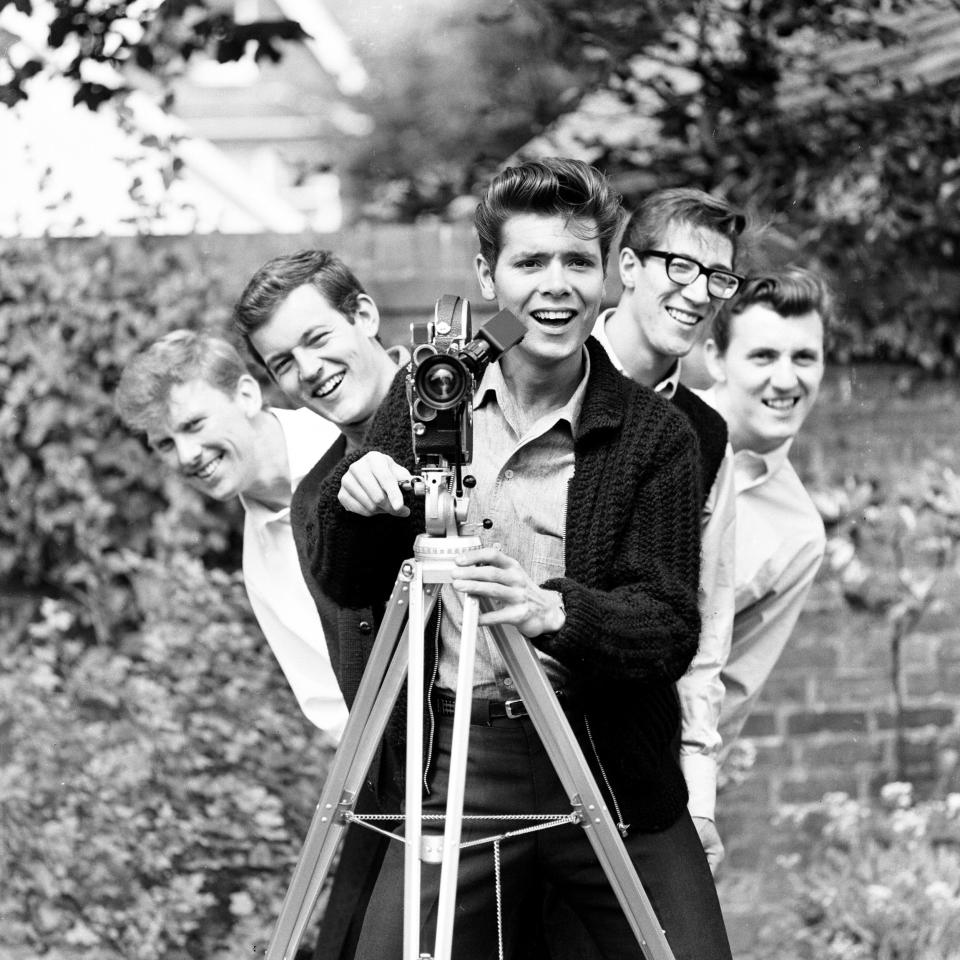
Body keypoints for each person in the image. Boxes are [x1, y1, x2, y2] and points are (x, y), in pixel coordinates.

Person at [296, 157, 732, 960]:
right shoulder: (428, 397)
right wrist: (354, 502)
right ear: (487, 275)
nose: (556, 285)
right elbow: (347, 578)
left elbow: (669, 624)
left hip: (608, 760)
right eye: (530, 262)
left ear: (608, 275)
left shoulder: (655, 435)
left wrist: (555, 610)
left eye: (577, 261)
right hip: (465, 755)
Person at [231, 249, 410, 960]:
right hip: (400, 786)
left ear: (364, 315)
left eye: (317, 339)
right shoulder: (314, 499)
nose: (307, 370)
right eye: (283, 363)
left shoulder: (483, 415)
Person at [591, 187, 746, 871]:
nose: (698, 292)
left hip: (640, 760)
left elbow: (707, 630)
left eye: (717, 277)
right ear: (628, 265)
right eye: (679, 267)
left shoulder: (708, 436)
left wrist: (701, 792)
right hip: (516, 743)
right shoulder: (543, 374)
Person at [114, 330, 345, 735]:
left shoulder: (346, 439)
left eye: (194, 425)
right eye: (165, 444)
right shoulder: (259, 563)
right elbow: (335, 710)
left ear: (247, 396)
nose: (187, 455)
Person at [700, 268, 829, 750]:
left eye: (804, 357)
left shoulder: (799, 533)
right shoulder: (649, 423)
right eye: (763, 356)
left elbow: (728, 694)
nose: (786, 378)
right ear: (716, 359)